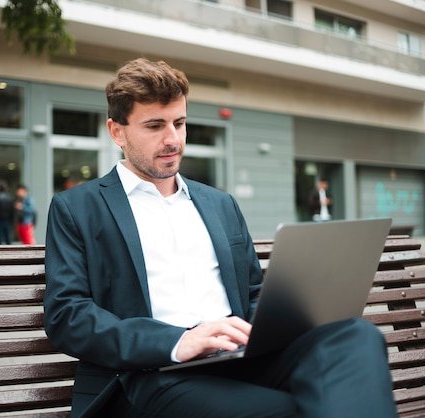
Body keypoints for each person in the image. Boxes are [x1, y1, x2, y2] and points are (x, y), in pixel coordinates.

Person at [44, 58, 397, 418]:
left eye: (179, 123)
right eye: (154, 126)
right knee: (293, 409)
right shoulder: (77, 208)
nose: (173, 139)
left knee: (355, 334)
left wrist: (275, 324)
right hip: (150, 374)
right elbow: (68, 316)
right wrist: (179, 341)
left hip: (240, 357)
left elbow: (253, 293)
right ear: (117, 132)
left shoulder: (219, 204)